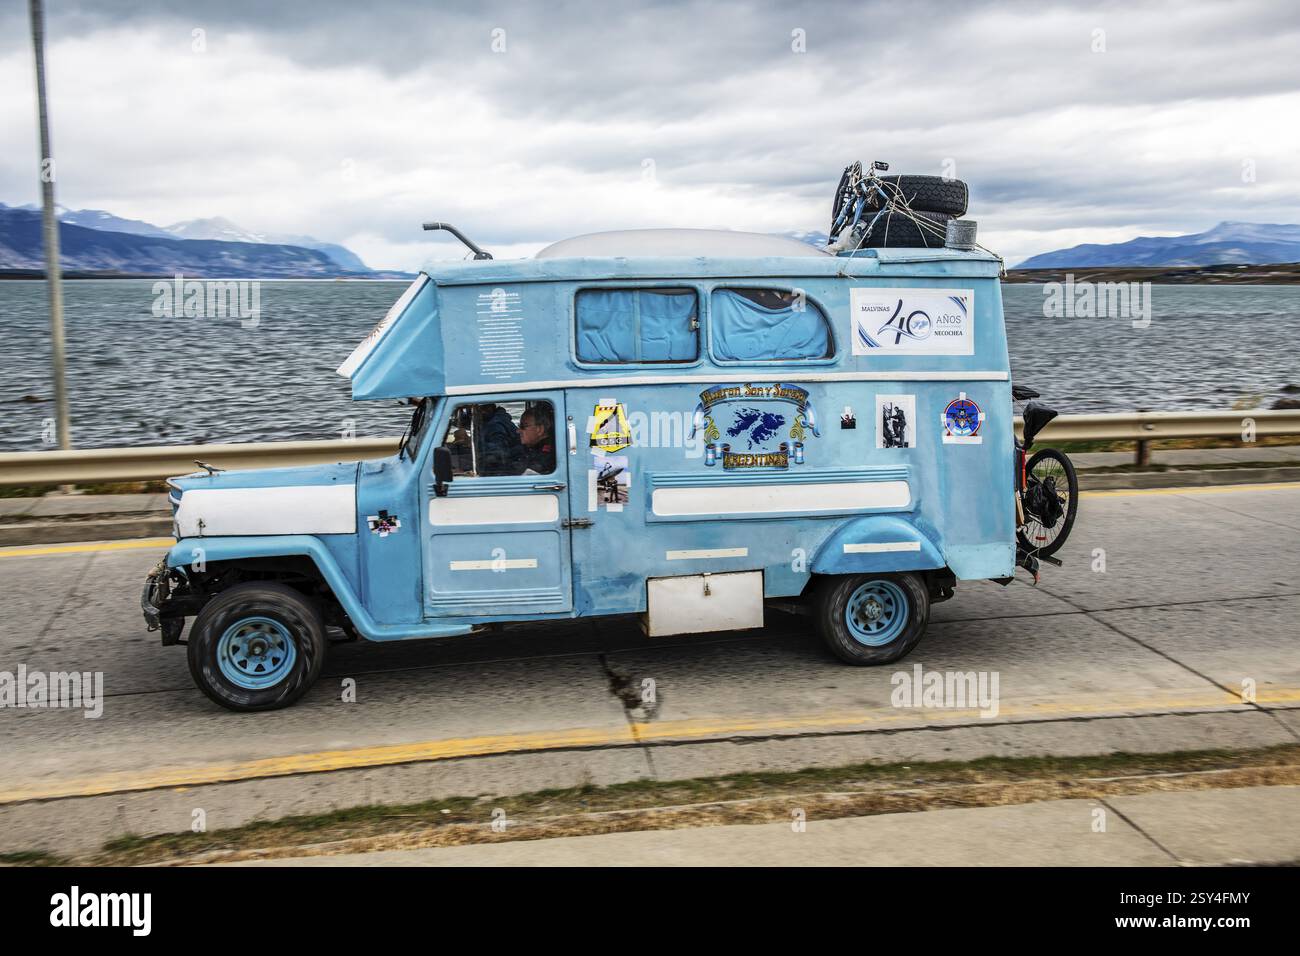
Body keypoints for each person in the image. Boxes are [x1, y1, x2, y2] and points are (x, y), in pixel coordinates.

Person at [477, 403, 521, 475]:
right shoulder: (499, 419)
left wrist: (473, 444)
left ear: (489, 409)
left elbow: (499, 450)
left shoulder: (495, 425)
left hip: (507, 467)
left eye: (480, 410)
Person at [517, 404, 555, 474]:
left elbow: (527, 477)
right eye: (519, 426)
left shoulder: (544, 458)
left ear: (540, 430)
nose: (518, 430)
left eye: (523, 426)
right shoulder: (531, 447)